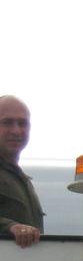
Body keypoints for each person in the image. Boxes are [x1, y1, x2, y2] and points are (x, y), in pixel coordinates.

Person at [0, 95, 43, 248]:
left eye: (22, 123)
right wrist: (10, 226)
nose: (16, 131)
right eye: (7, 122)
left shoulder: (22, 180)